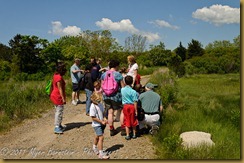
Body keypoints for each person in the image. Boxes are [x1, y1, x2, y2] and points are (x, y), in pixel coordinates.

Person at [100, 60, 125, 136]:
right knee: (121, 111)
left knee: (110, 112)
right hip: (116, 96)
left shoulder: (104, 74)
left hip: (106, 96)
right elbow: (123, 87)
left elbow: (102, 86)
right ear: (116, 66)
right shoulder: (118, 75)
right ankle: (123, 129)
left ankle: (111, 129)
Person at [89, 92, 110, 159]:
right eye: (97, 100)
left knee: (97, 136)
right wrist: (101, 121)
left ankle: (94, 147)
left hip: (101, 124)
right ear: (93, 100)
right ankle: (101, 154)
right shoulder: (92, 106)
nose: (99, 102)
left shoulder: (100, 104)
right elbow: (93, 117)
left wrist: (105, 118)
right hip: (96, 124)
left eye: (99, 100)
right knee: (101, 137)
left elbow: (103, 112)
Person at [50, 62, 67, 134]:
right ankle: (57, 127)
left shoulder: (55, 75)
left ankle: (59, 125)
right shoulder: (59, 77)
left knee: (58, 110)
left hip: (54, 95)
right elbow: (60, 88)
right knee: (59, 112)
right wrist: (63, 98)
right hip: (57, 96)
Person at [121, 75, 138, 140]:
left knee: (126, 119)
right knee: (133, 119)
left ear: (125, 82)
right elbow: (135, 101)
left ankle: (128, 135)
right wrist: (136, 110)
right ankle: (134, 134)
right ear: (132, 82)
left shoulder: (122, 90)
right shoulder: (134, 92)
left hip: (125, 106)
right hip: (132, 106)